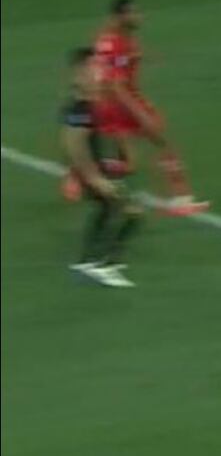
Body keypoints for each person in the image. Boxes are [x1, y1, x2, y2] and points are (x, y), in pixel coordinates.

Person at [61, 0, 209, 216]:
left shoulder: (105, 39)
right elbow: (117, 84)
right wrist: (139, 112)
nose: (139, 17)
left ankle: (78, 175)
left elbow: (102, 68)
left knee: (129, 162)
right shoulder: (120, 44)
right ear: (119, 17)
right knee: (161, 141)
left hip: (102, 102)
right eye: (133, 13)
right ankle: (181, 199)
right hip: (120, 103)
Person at [61, 47, 143, 288]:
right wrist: (94, 178)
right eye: (92, 68)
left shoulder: (85, 104)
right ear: (79, 73)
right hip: (92, 172)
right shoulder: (80, 110)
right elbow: (74, 144)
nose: (98, 72)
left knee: (107, 211)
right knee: (131, 212)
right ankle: (104, 264)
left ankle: (88, 261)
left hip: (96, 169)